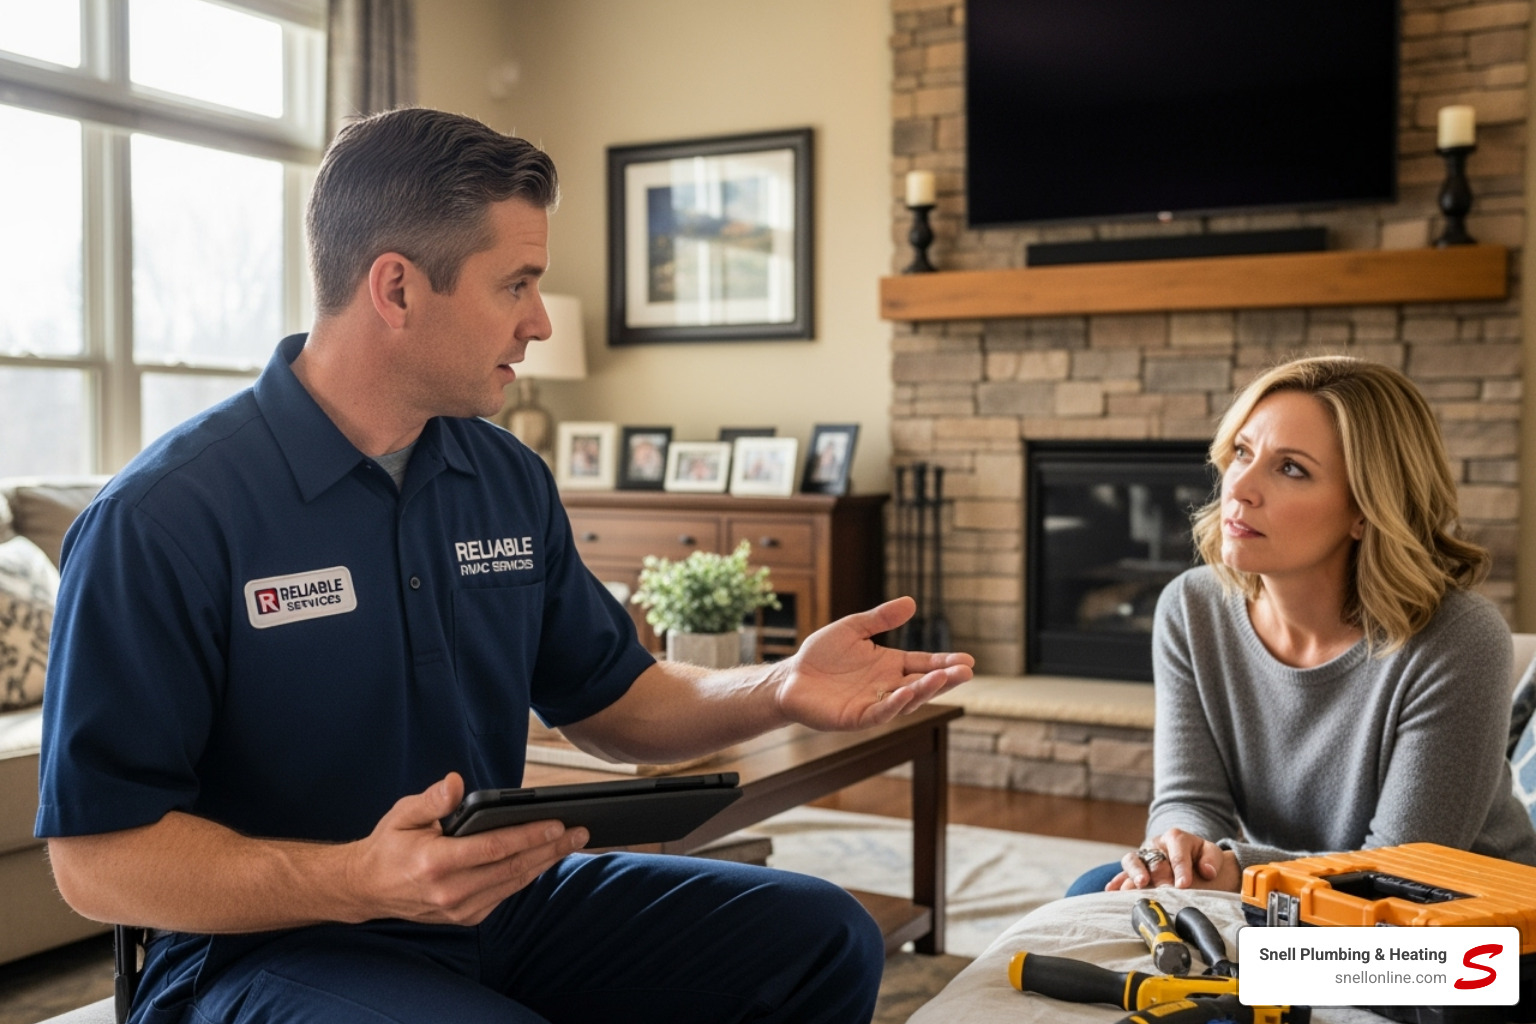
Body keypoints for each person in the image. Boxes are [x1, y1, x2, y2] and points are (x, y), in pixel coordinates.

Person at [36, 108, 975, 1024]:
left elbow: (615, 704)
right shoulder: (162, 519)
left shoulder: (505, 477)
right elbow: (97, 860)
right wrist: (356, 879)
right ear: (397, 289)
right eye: (516, 285)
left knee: (824, 936)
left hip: (493, 901)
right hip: (265, 947)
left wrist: (781, 683)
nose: (540, 324)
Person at [1065, 355, 1536, 896]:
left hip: (1464, 920)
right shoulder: (1190, 609)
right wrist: (1179, 858)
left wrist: (1240, 869)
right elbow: (1190, 797)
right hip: (1300, 892)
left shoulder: (1459, 637)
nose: (1239, 487)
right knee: (1093, 889)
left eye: (1291, 468)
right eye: (1242, 452)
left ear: (1365, 508)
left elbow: (1401, 871)